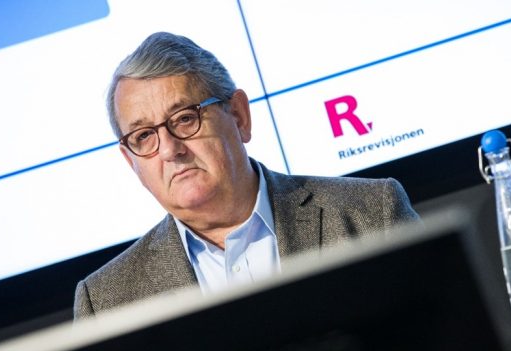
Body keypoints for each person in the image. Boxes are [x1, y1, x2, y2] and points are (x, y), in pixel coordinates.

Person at [74, 31, 420, 319]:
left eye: (184, 118)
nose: (169, 149)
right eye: (144, 137)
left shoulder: (373, 213)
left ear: (239, 116)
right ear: (130, 161)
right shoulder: (105, 302)